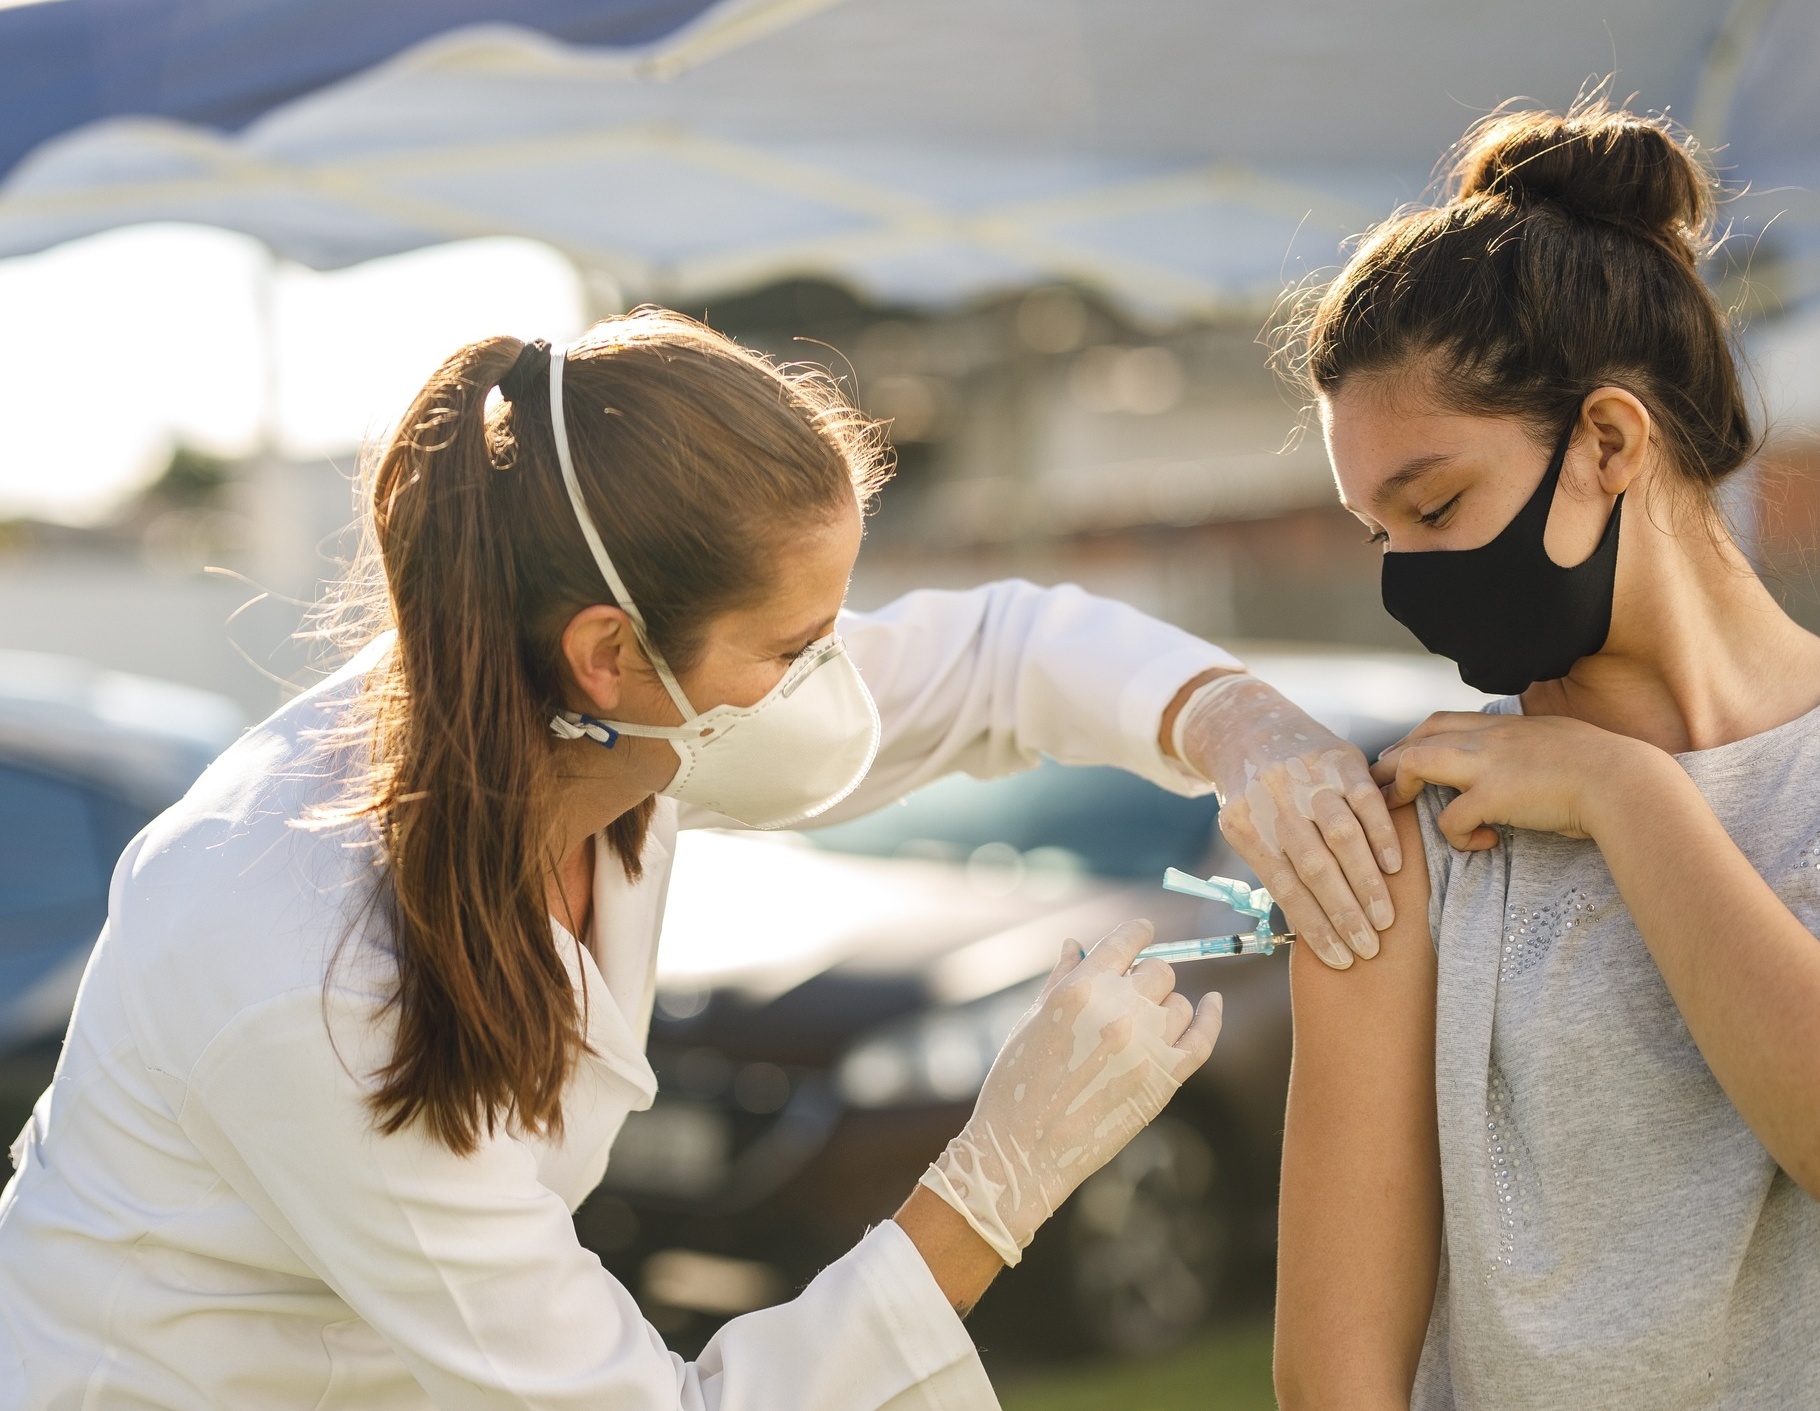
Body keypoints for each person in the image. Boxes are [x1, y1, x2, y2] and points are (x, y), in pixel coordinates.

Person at [0, 310, 1398, 1409]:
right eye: (795, 650)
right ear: (610, 655)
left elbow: (997, 657)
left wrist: (1239, 723)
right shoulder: (306, 964)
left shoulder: (565, 716)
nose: (834, 677)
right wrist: (999, 1179)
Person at [1272, 105, 1820, 1409]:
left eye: (1433, 506)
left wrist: (1620, 791)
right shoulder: (1414, 836)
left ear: (1607, 442)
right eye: (1376, 532)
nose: (1407, 577)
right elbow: (1336, 1378)